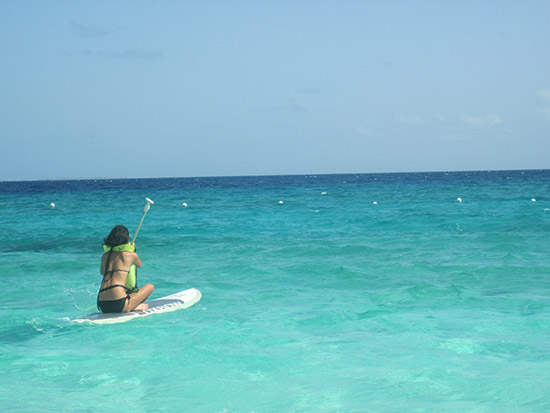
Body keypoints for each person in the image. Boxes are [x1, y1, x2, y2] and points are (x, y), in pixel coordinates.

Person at [97, 225, 154, 313]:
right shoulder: (130, 255)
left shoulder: (105, 256)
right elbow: (139, 265)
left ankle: (130, 304)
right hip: (118, 302)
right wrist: (132, 249)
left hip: (102, 303)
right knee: (150, 287)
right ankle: (133, 306)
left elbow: (102, 272)